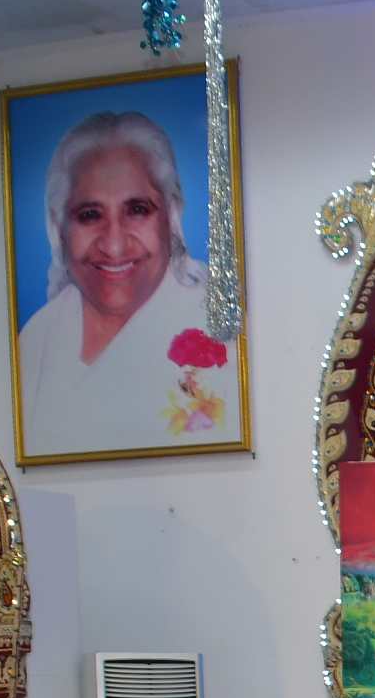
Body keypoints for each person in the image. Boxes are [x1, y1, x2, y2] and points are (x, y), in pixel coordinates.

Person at [14, 109, 241, 458]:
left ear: (173, 215)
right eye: (90, 215)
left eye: (137, 210)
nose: (114, 245)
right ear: (57, 227)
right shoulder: (38, 337)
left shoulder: (222, 325)